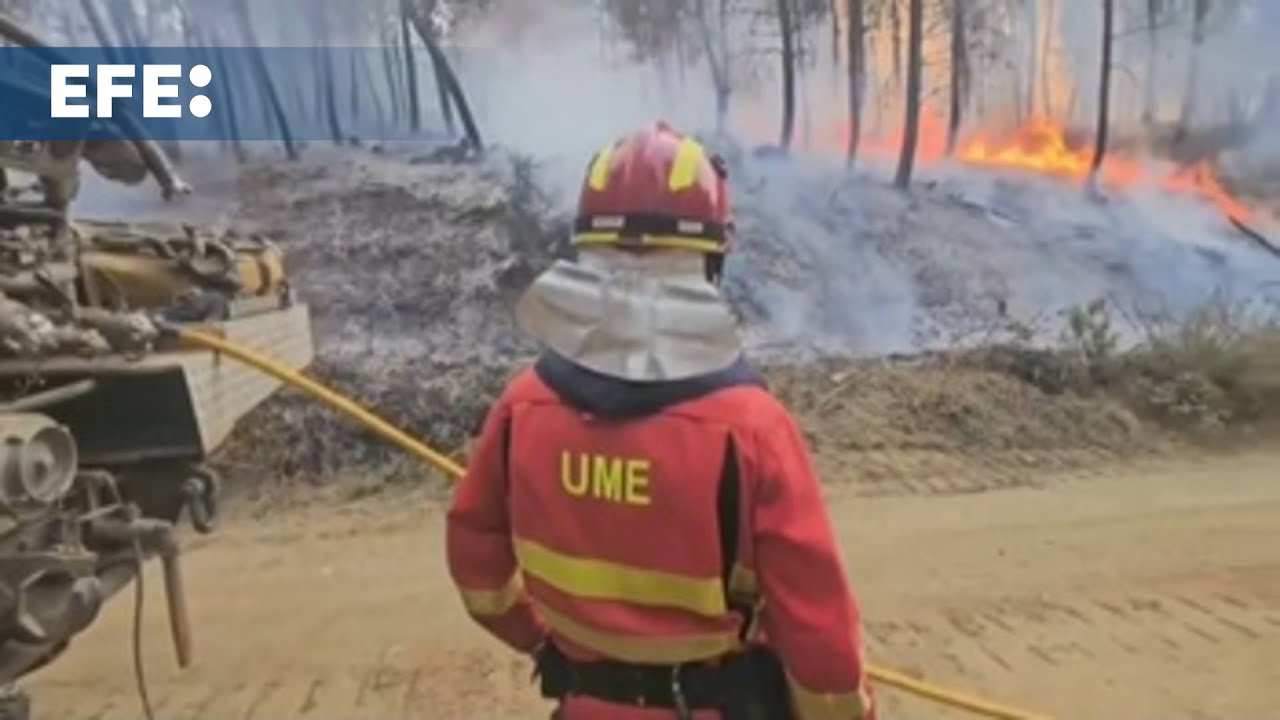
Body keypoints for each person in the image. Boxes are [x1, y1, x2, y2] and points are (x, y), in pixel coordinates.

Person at [445, 121, 875, 720]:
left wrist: (547, 643)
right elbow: (819, 635)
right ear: (711, 259)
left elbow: (479, 574)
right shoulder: (752, 430)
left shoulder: (522, 407)